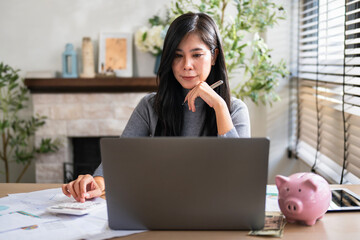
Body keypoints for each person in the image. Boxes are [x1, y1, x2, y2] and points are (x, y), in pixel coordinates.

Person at [62, 12, 251, 202]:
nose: (186, 65)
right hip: (160, 209)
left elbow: (241, 179)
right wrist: (96, 182)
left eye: (197, 55)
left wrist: (219, 106)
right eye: (178, 56)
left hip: (215, 211)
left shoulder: (234, 110)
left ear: (213, 56)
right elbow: (120, 160)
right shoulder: (150, 105)